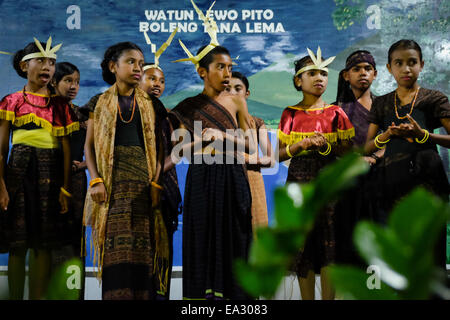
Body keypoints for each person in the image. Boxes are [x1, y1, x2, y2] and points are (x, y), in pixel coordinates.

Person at [83, 41, 168, 300]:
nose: (138, 68)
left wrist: (155, 183)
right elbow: (89, 147)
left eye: (141, 64)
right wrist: (95, 180)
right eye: (131, 62)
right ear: (113, 66)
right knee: (114, 249)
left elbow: (162, 149)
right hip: (111, 185)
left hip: (143, 187)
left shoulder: (152, 104)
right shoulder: (98, 102)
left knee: (144, 250)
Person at [169, 42, 255, 299]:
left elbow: (250, 143)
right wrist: (203, 140)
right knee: (202, 238)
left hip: (233, 174)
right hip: (202, 175)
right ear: (202, 71)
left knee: (236, 239)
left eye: (230, 67)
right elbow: (179, 150)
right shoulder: (186, 107)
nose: (227, 73)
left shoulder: (237, 101)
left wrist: (220, 135)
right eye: (220, 67)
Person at [0, 37, 79, 300]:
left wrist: (65, 189)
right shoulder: (11, 101)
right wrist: (1, 187)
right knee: (18, 244)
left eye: (52, 63)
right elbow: (1, 150)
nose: (47, 67)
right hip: (18, 175)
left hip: (51, 175)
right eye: (41, 61)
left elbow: (67, 150)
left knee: (44, 243)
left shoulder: (60, 106)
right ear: (25, 67)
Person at [364, 39, 450, 269]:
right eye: (399, 63)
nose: (406, 68)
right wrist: (387, 136)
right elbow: (365, 147)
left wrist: (423, 135)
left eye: (412, 62)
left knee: (432, 250)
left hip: (429, 182)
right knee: (398, 252)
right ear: (389, 68)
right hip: (392, 182)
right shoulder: (381, 103)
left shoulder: (435, 98)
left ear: (422, 65)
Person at [277, 47, 354, 300]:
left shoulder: (336, 113)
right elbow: (278, 155)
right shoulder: (290, 113)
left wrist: (328, 146)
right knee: (304, 246)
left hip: (330, 183)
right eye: (312, 73)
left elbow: (348, 152)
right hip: (299, 182)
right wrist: (301, 145)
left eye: (323, 73)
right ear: (298, 80)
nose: (319, 78)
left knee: (330, 244)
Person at [333, 50, 382, 267]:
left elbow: (392, 139)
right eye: (356, 69)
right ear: (346, 75)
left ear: (375, 74)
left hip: (379, 179)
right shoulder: (334, 110)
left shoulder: (387, 105)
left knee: (376, 235)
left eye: (367, 69)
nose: (363, 73)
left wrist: (373, 158)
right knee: (347, 236)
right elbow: (333, 146)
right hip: (346, 182)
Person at [139, 62, 182, 300]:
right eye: (152, 79)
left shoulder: (168, 116)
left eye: (162, 81)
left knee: (161, 254)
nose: (157, 84)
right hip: (132, 194)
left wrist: (152, 178)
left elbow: (176, 153)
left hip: (162, 194)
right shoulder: (124, 111)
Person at [51, 61, 86, 299]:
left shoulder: (82, 115)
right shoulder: (44, 111)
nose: (73, 86)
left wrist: (82, 165)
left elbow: (96, 150)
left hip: (78, 183)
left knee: (76, 241)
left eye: (76, 82)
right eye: (68, 81)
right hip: (50, 183)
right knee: (51, 241)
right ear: (54, 82)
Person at [226, 71, 272, 234]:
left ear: (247, 93)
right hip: (225, 182)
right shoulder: (215, 122)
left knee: (254, 231)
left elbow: (270, 160)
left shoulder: (257, 122)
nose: (232, 92)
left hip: (252, 181)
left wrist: (246, 159)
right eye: (227, 88)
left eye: (237, 88)